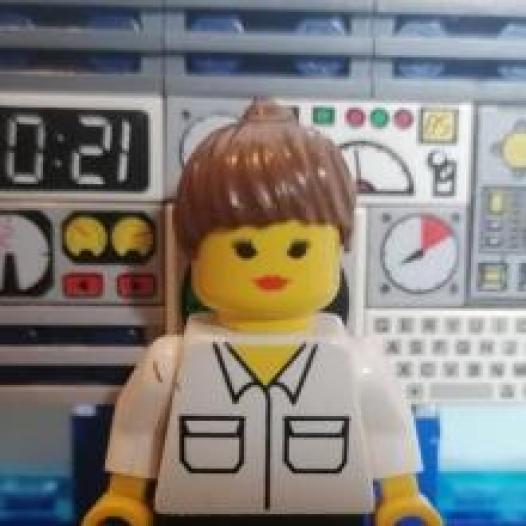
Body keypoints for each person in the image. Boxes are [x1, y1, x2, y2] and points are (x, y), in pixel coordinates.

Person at [82, 100, 442, 526]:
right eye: (244, 250)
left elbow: (386, 429)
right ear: (195, 255)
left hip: (322, 513)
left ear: (337, 250)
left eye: (298, 249)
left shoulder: (357, 362)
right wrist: (125, 495)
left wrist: (402, 495)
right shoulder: (170, 362)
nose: (271, 268)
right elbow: (138, 431)